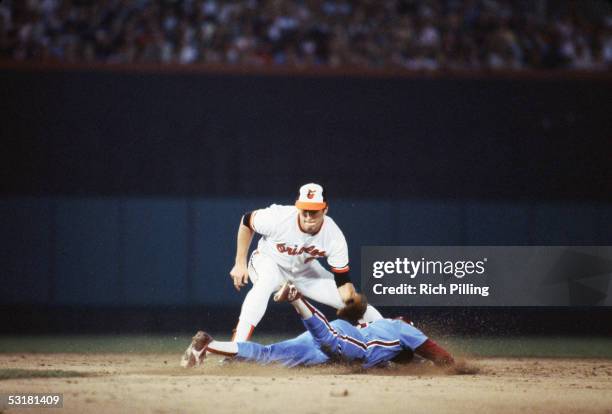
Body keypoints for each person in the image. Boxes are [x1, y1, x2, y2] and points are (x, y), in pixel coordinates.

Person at [228, 183, 383, 342]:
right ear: (297, 207)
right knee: (265, 283)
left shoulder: (334, 236)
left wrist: (349, 298)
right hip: (267, 260)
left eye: (314, 211)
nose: (308, 216)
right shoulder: (278, 218)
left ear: (325, 209)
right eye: (305, 210)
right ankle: (237, 346)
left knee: (351, 302)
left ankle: (392, 336)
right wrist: (240, 263)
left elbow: (342, 279)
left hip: (304, 271)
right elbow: (246, 221)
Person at [181, 284, 454, 368]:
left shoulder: (380, 330)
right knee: (329, 339)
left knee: (269, 355)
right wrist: (456, 366)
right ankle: (298, 300)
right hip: (345, 340)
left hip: (335, 343)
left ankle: (209, 344)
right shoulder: (402, 328)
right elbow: (439, 355)